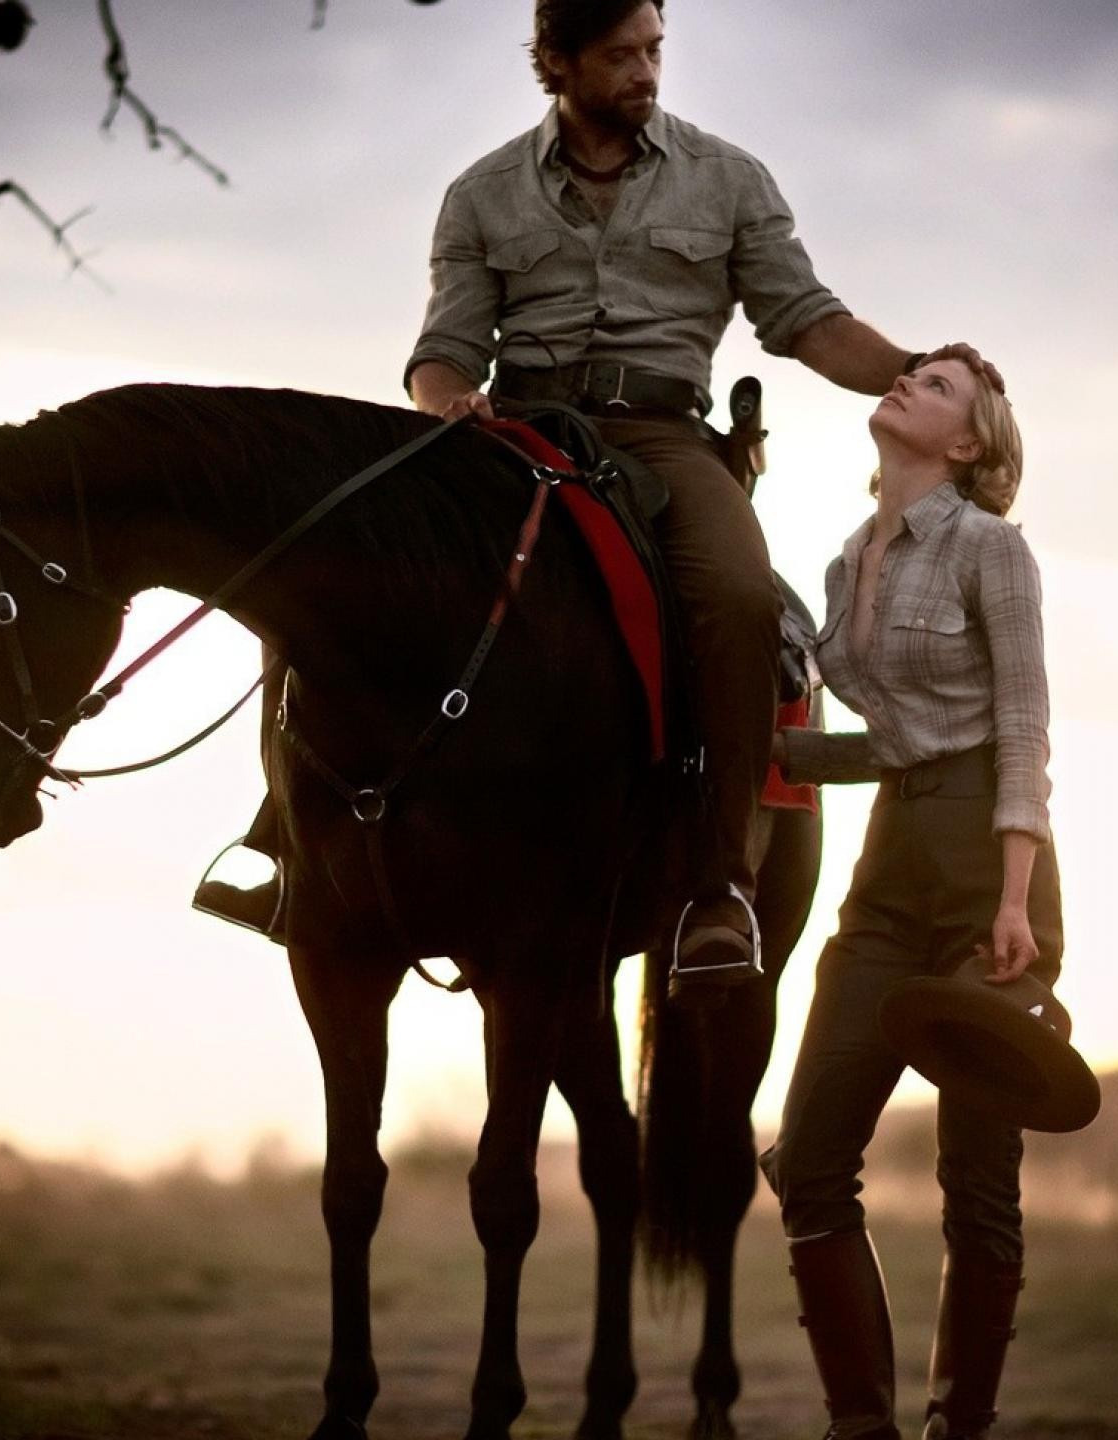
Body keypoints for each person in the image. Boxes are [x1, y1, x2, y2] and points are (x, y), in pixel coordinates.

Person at [398, 0, 1005, 988]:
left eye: (654, 50)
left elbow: (806, 320)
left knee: (737, 597)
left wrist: (922, 362)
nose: (645, 72)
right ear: (556, 62)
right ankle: (301, 847)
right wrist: (448, 405)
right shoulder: (481, 193)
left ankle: (717, 887)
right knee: (379, 564)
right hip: (516, 434)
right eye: (620, 55)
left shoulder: (727, 178)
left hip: (666, 438)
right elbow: (446, 349)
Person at [766, 356, 1057, 1440]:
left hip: (991, 865)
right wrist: (763, 747)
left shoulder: (992, 552)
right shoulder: (848, 565)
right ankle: (861, 1428)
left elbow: (1023, 725)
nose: (904, 385)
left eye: (933, 385)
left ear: (969, 445)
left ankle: (958, 1426)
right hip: (890, 865)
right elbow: (886, 742)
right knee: (807, 1161)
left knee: (976, 1172)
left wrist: (1016, 899)